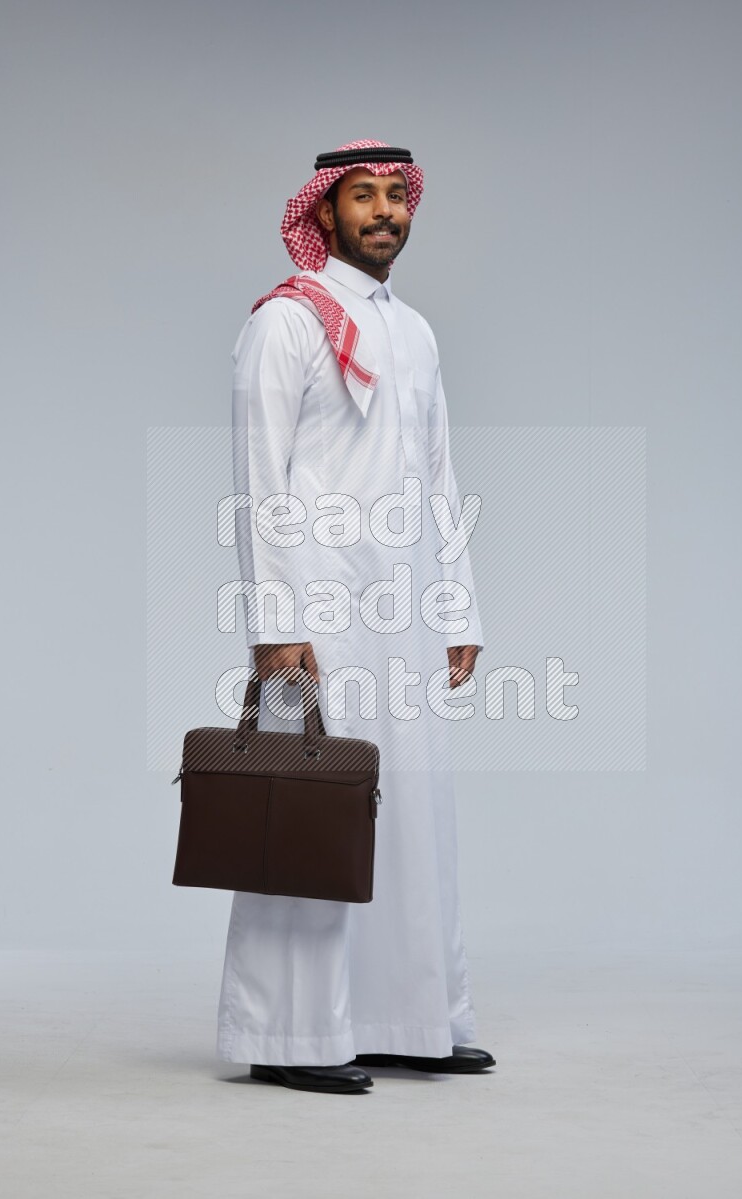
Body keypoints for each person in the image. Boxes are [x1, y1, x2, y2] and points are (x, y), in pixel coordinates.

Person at [216, 140, 495, 1094]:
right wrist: (274, 627)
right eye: (363, 198)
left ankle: (407, 1018)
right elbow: (261, 481)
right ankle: (289, 1035)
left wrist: (458, 607)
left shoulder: (413, 331)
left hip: (407, 611)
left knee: (412, 810)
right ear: (325, 215)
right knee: (311, 807)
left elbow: (438, 475)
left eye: (395, 197)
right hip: (321, 611)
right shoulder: (289, 321)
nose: (383, 213)